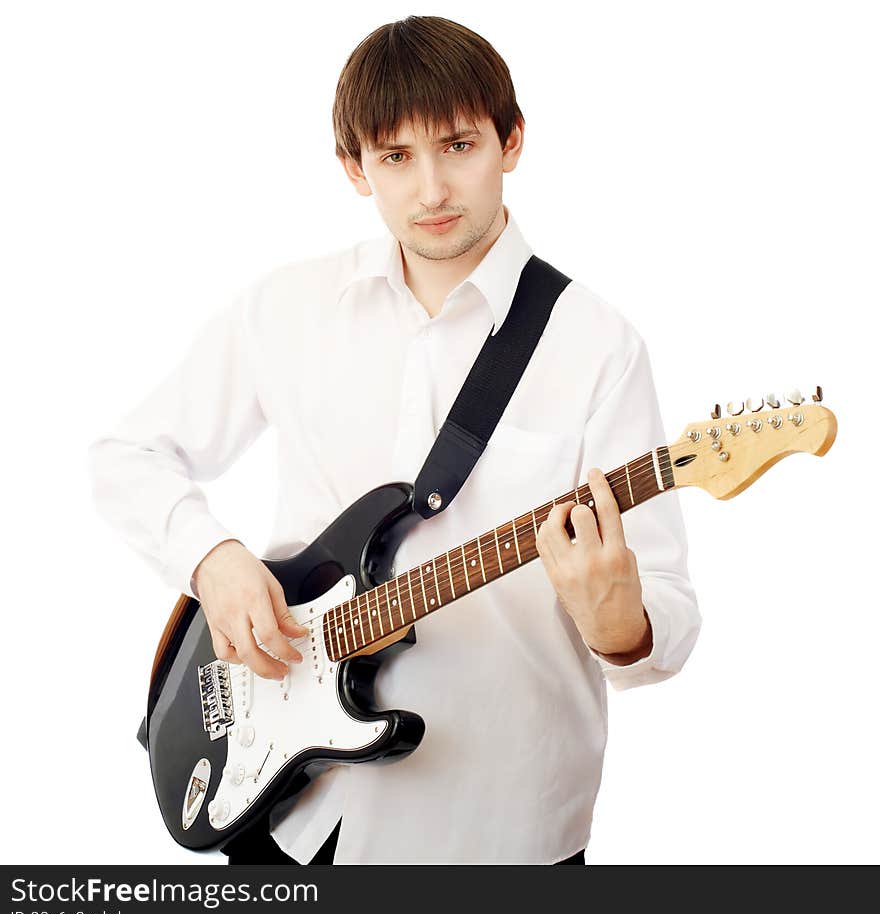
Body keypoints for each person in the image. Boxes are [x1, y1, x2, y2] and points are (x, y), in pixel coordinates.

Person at [87, 15, 701, 866]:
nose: (432, 190)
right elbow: (127, 455)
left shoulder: (597, 346)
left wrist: (619, 622)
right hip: (294, 812)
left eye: (458, 145)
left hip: (505, 828)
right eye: (395, 158)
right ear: (354, 168)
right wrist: (215, 561)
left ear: (512, 139)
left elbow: (664, 611)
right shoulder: (288, 309)